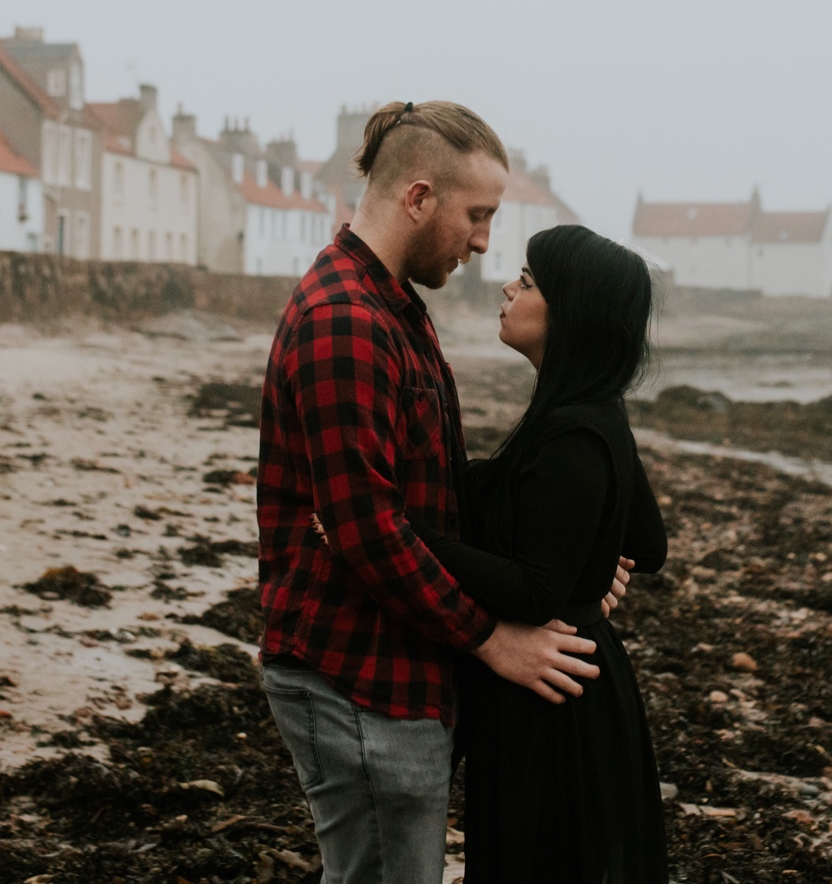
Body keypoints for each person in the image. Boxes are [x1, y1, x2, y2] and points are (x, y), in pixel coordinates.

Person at [257, 100, 607, 884]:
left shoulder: (395, 309)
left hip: (396, 666)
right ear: (418, 197)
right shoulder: (345, 319)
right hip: (354, 671)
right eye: (477, 215)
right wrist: (492, 640)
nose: (484, 242)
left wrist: (572, 550)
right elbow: (367, 530)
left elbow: (439, 493)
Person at [423, 224, 670, 884]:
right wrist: (592, 575)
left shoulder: (572, 430)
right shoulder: (593, 410)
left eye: (528, 282)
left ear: (572, 313)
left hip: (551, 707)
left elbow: (533, 590)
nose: (508, 286)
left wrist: (418, 536)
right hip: (583, 684)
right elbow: (647, 542)